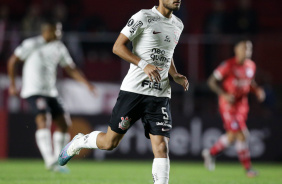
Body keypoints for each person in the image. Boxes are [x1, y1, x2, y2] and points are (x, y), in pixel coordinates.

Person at [58, 0, 188, 183]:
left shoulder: (178, 24)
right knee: (109, 143)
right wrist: (143, 65)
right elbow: (117, 47)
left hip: (160, 95)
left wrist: (174, 74)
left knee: (161, 147)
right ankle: (81, 141)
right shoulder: (143, 16)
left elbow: (167, 53)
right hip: (133, 92)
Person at [7, 20, 96, 173]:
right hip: (33, 90)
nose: (58, 34)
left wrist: (86, 84)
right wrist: (13, 84)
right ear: (46, 31)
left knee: (64, 123)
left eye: (60, 31)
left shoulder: (59, 47)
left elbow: (71, 68)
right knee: (44, 119)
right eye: (56, 31)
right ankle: (49, 160)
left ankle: (58, 160)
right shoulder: (32, 44)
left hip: (50, 91)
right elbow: (13, 60)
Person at [202, 39, 265, 177]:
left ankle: (210, 153)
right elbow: (211, 81)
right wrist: (223, 94)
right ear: (236, 50)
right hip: (228, 106)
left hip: (242, 106)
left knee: (231, 137)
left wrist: (257, 90)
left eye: (249, 49)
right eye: (244, 48)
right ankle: (248, 169)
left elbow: (250, 82)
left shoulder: (251, 66)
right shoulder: (228, 65)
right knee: (242, 135)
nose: (247, 52)